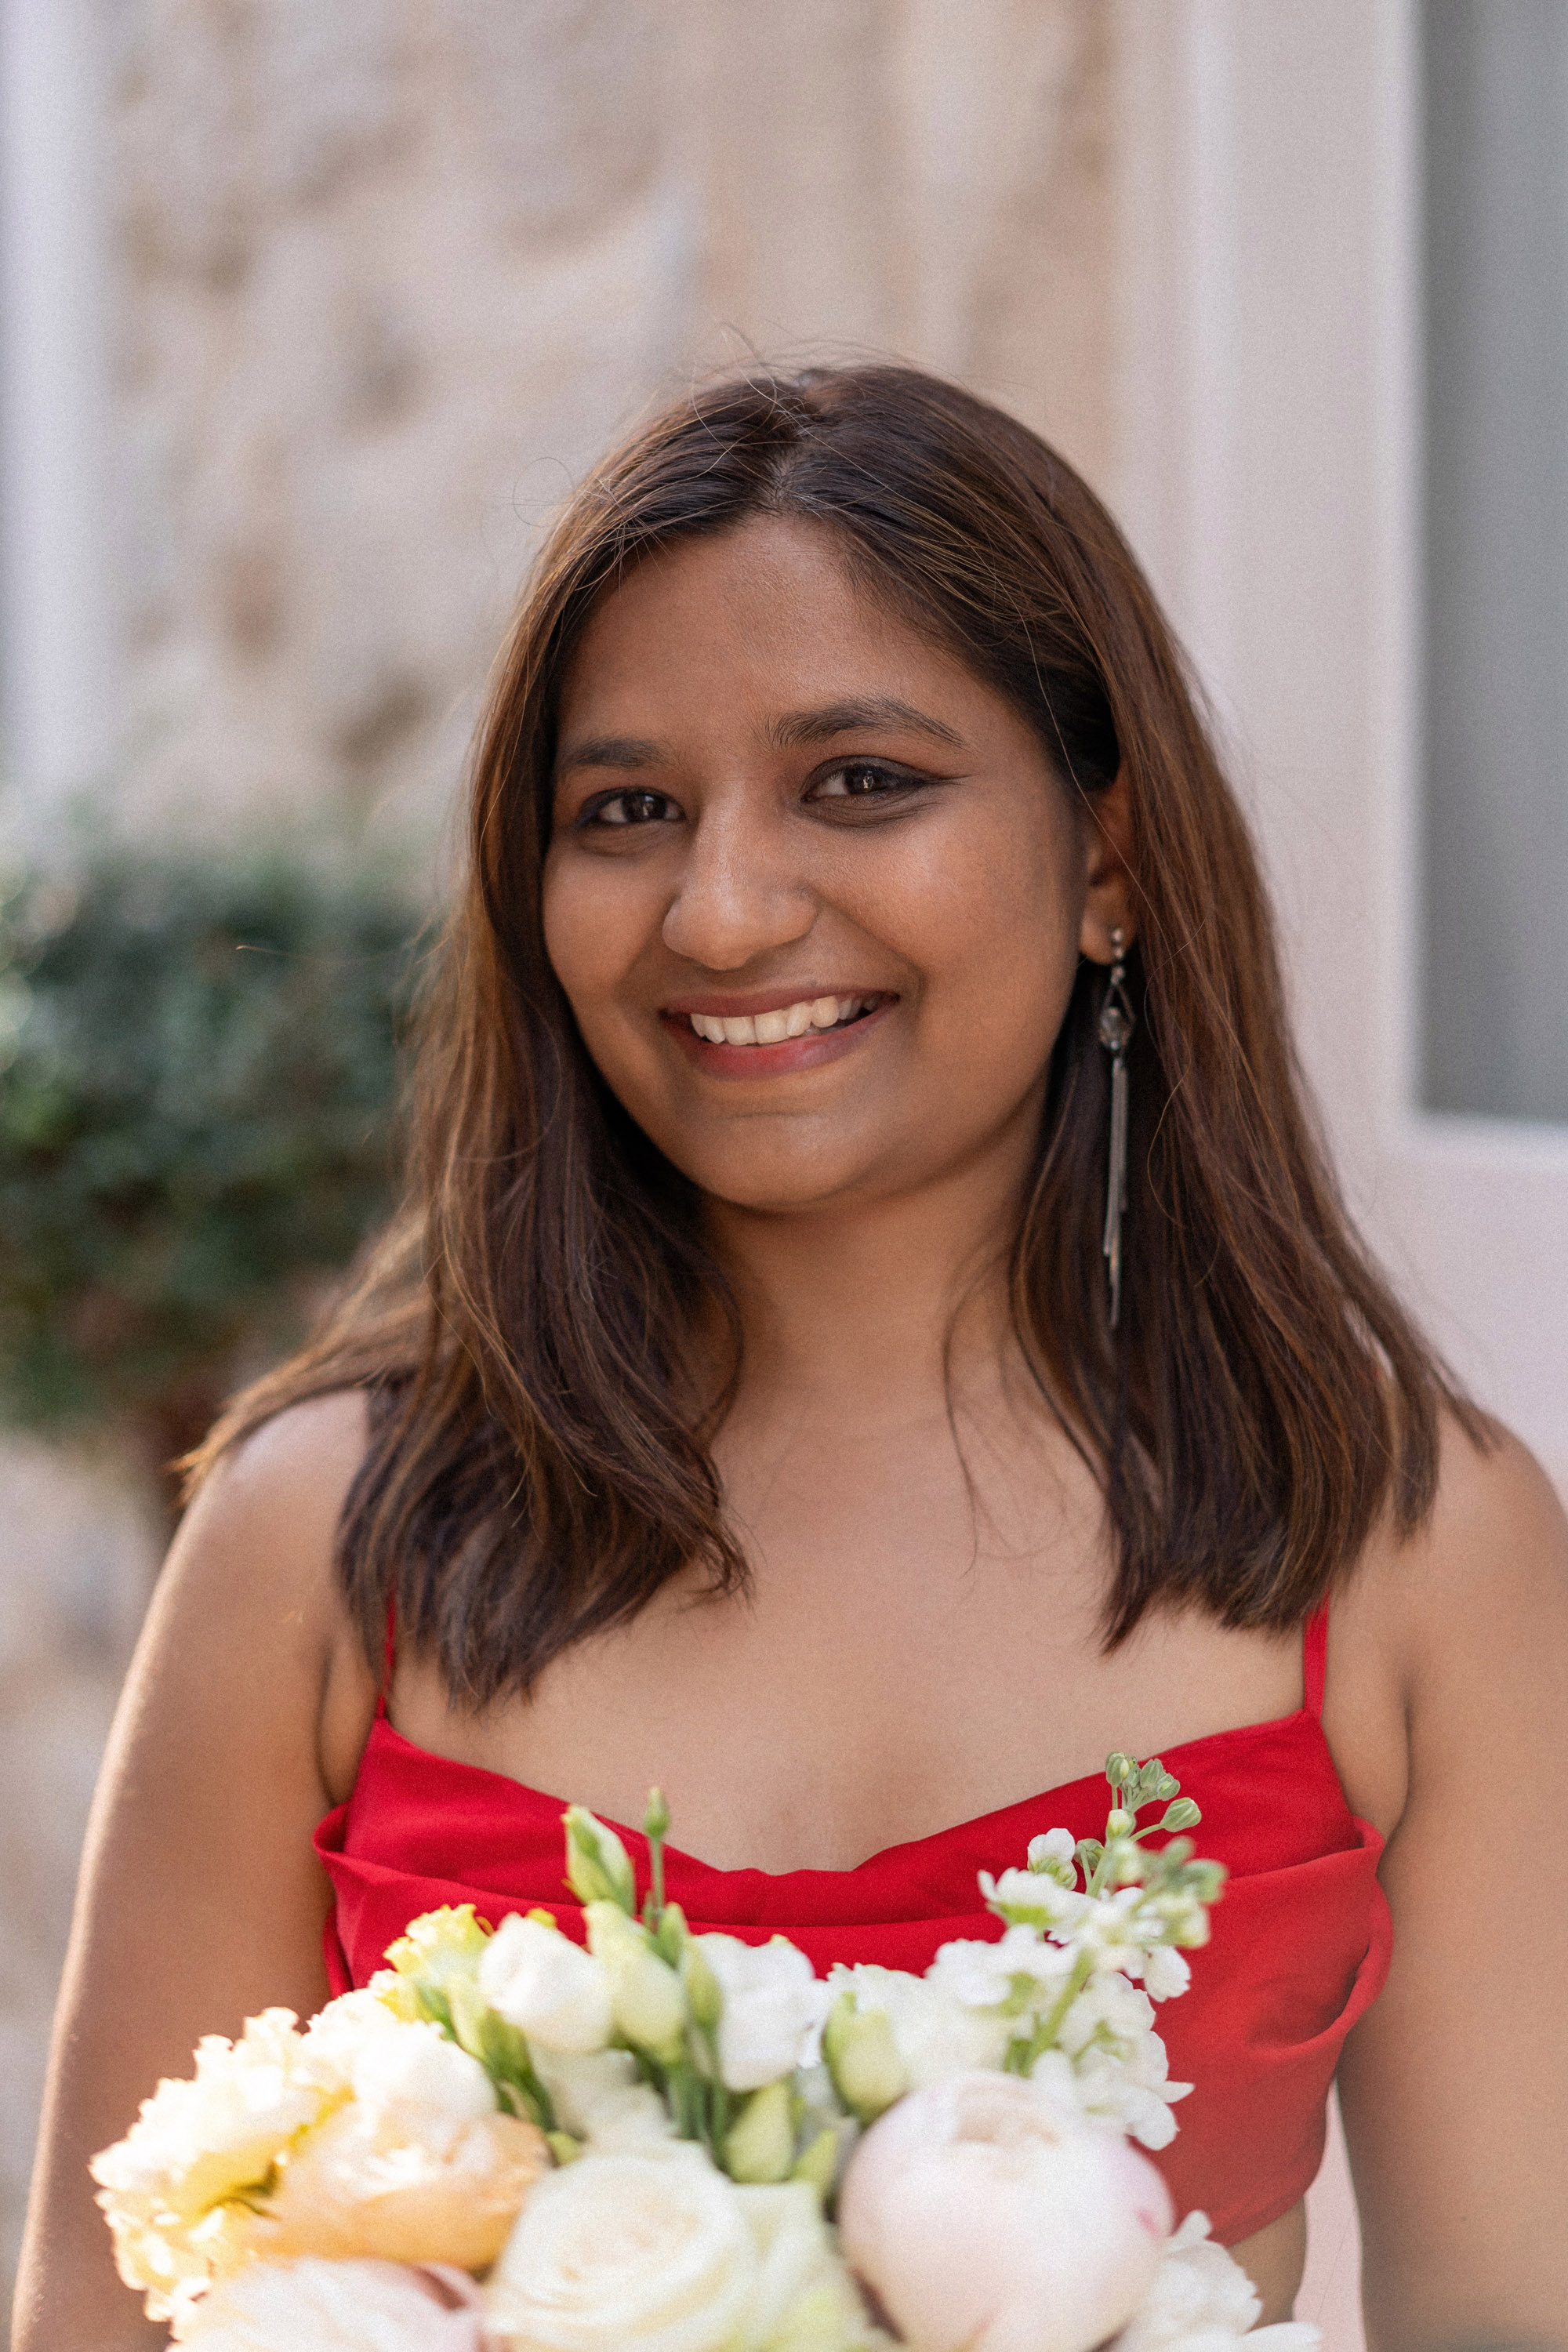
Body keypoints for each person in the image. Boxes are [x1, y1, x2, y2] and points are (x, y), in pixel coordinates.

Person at [14, 365, 1568, 2351]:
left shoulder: (1412, 1546)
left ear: (1110, 861)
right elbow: (103, 2322)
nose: (724, 909)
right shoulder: (319, 1543)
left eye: (860, 783)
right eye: (627, 811)